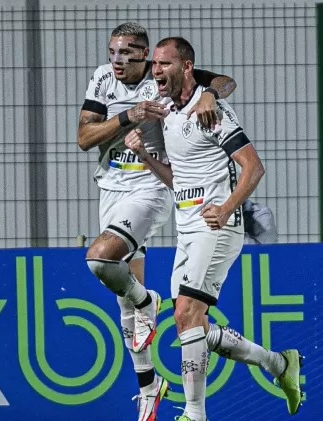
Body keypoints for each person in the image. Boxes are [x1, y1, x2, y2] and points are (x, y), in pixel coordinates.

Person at [124, 36, 303, 421]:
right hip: (186, 228)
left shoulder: (213, 111)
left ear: (186, 68)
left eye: (164, 64)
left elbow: (254, 167)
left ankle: (194, 413)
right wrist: (143, 156)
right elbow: (178, 180)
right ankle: (278, 364)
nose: (156, 71)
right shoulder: (168, 114)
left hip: (218, 226)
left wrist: (226, 209)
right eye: (154, 64)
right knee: (194, 324)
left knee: (187, 311)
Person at [76, 22, 237, 421]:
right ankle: (149, 386)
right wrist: (128, 117)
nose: (117, 60)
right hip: (111, 187)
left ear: (144, 55)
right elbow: (84, 137)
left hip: (150, 188)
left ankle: (148, 302)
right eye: (112, 52)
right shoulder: (101, 79)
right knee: (123, 298)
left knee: (101, 260)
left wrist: (210, 95)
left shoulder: (159, 75)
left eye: (127, 53)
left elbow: (222, 80)